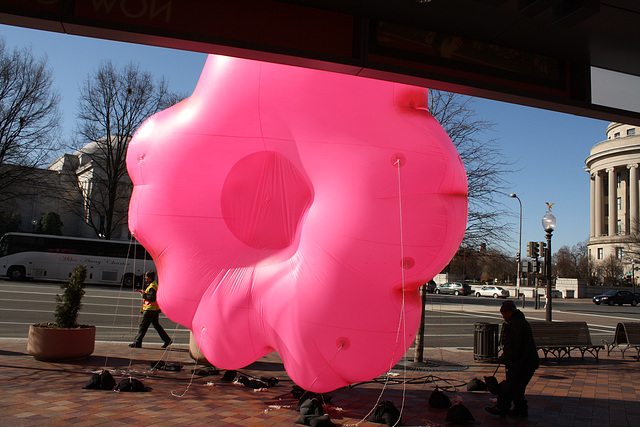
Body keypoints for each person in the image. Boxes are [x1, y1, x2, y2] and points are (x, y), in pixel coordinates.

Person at [486, 299, 539, 418]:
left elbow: (513, 346)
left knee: (510, 387)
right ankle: (518, 409)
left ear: (509, 312)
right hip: (526, 362)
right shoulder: (519, 322)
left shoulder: (516, 325)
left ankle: (504, 408)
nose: (503, 317)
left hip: (521, 363)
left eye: (503, 314)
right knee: (516, 388)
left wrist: (503, 358)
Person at [129, 270, 172, 348]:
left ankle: (137, 342)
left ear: (150, 277)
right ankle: (167, 340)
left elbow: (152, 298)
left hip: (150, 310)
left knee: (143, 326)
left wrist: (143, 295)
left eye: (146, 277)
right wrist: (144, 292)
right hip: (154, 310)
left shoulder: (152, 286)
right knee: (156, 325)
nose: (145, 278)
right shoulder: (153, 285)